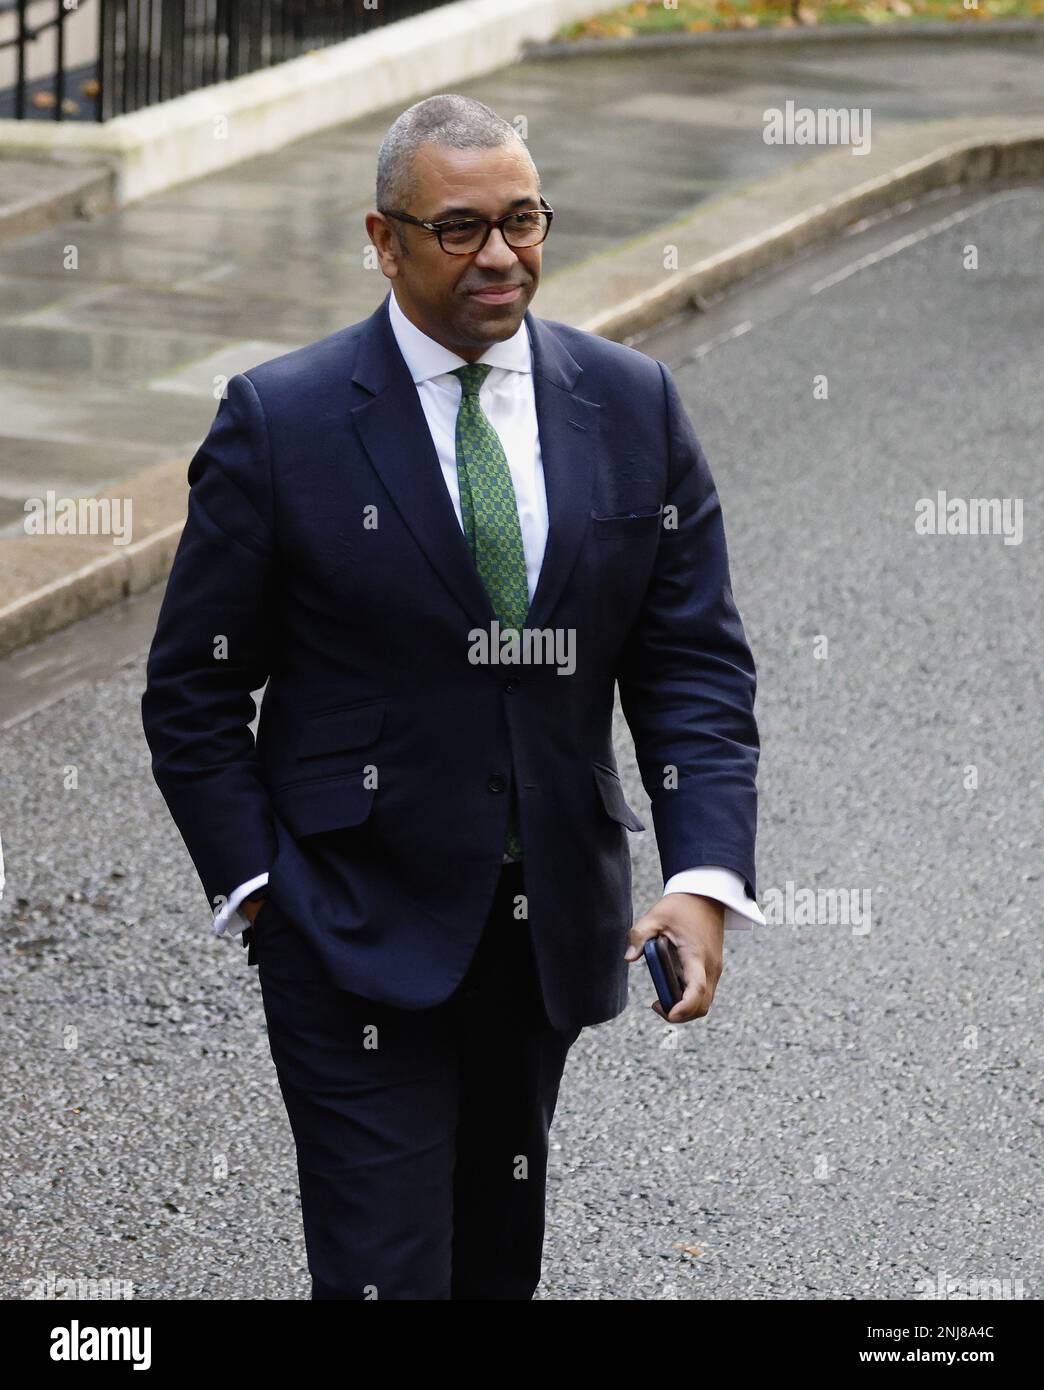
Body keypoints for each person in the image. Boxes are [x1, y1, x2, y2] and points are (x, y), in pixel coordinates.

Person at [141, 93, 764, 1301]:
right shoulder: (283, 421)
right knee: (385, 1272)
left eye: (522, 220)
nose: (500, 256)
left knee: (493, 1261)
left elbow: (689, 658)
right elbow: (195, 686)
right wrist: (265, 894)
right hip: (349, 932)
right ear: (384, 240)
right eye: (460, 228)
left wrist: (703, 876)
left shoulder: (632, 403)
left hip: (546, 936)